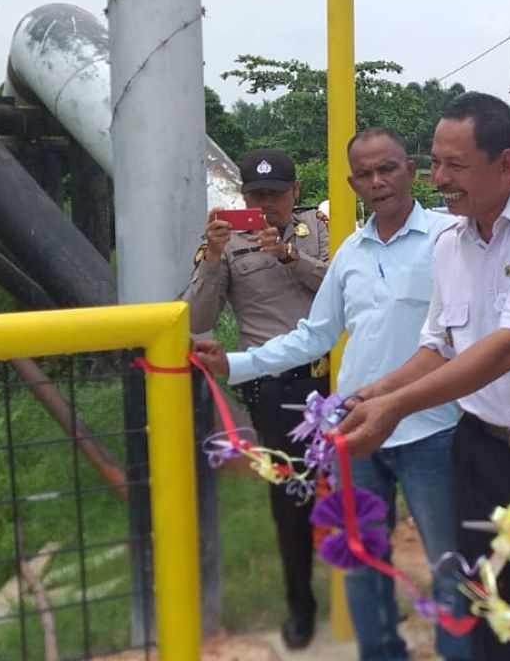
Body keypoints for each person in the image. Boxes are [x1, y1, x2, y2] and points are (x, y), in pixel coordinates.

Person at [336, 93, 510, 661]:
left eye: (455, 165)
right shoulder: (450, 242)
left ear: (506, 165)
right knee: (495, 618)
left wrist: (396, 410)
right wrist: (377, 391)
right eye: (436, 161)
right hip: (483, 457)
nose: (439, 178)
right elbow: (439, 348)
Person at [192, 129, 469, 661]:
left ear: (411, 170)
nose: (377, 182)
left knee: (450, 564)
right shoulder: (351, 252)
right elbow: (315, 334)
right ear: (351, 183)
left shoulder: (449, 239)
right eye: (364, 174)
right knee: (363, 565)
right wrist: (237, 362)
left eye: (387, 169)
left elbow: (466, 333)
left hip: (431, 430)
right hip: (355, 435)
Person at [182, 147, 329, 648]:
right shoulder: (227, 243)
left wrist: (290, 256)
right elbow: (197, 319)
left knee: (356, 485)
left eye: (275, 194)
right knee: (291, 497)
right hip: (277, 388)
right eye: (255, 194)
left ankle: (361, 588)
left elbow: (343, 287)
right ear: (242, 195)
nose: (265, 204)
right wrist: (213, 257)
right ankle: (301, 604)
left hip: (338, 378)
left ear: (296, 193)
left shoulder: (324, 227)